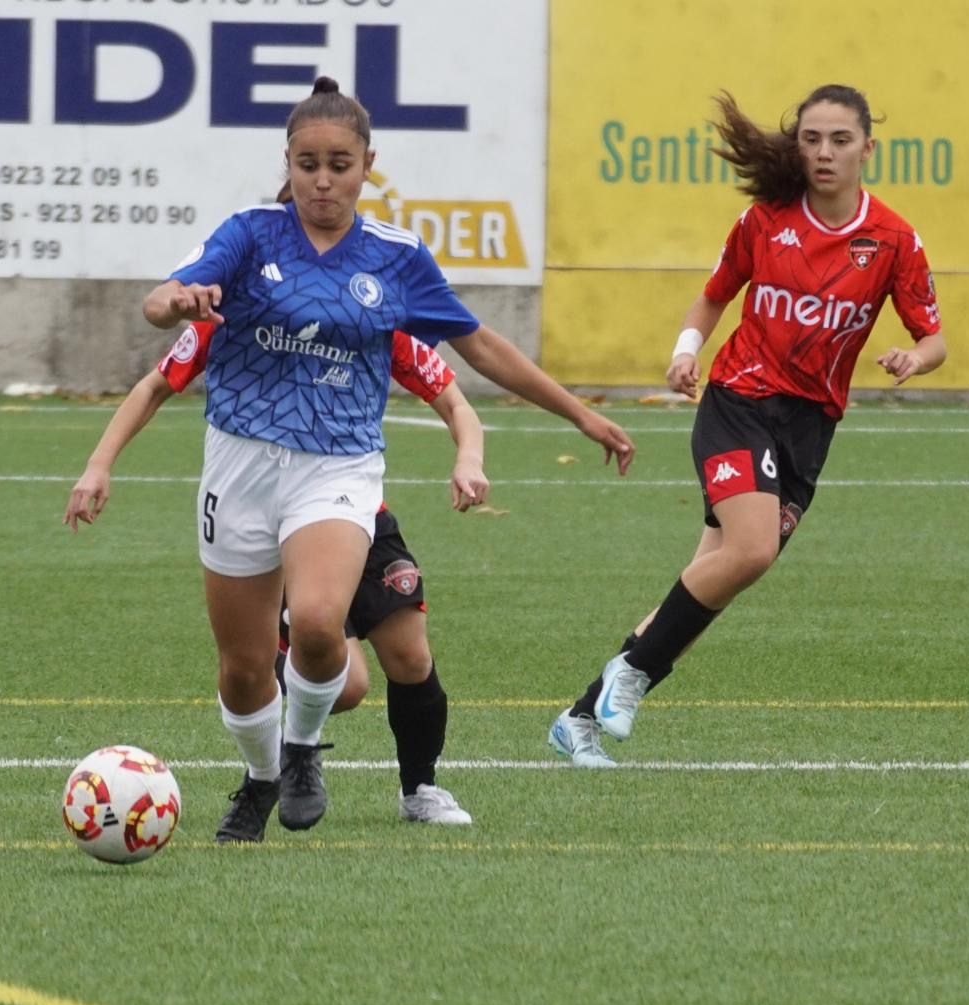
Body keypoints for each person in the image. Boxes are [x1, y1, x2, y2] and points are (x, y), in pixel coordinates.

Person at [137, 76, 634, 834]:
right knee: (241, 669)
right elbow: (162, 297)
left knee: (315, 621)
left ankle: (301, 749)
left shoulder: (397, 258)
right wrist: (174, 300)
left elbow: (485, 348)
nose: (323, 180)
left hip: (337, 464)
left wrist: (578, 413)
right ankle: (262, 774)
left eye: (340, 163)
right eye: (308, 163)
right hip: (238, 462)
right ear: (289, 162)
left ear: (369, 163)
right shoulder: (248, 232)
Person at [549, 84, 946, 767]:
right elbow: (713, 296)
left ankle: (581, 716)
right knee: (752, 550)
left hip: (809, 428)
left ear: (868, 149)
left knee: (713, 580)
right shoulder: (766, 222)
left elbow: (935, 336)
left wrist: (916, 356)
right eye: (812, 139)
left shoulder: (892, 240)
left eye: (840, 140)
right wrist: (684, 351)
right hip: (739, 402)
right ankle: (633, 677)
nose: (823, 153)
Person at [66, 317, 483, 831]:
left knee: (411, 654)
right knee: (345, 685)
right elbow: (157, 381)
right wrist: (98, 464)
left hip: (354, 510)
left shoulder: (368, 311)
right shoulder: (234, 310)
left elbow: (455, 398)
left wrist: (469, 456)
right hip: (268, 517)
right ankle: (273, 764)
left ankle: (419, 788)